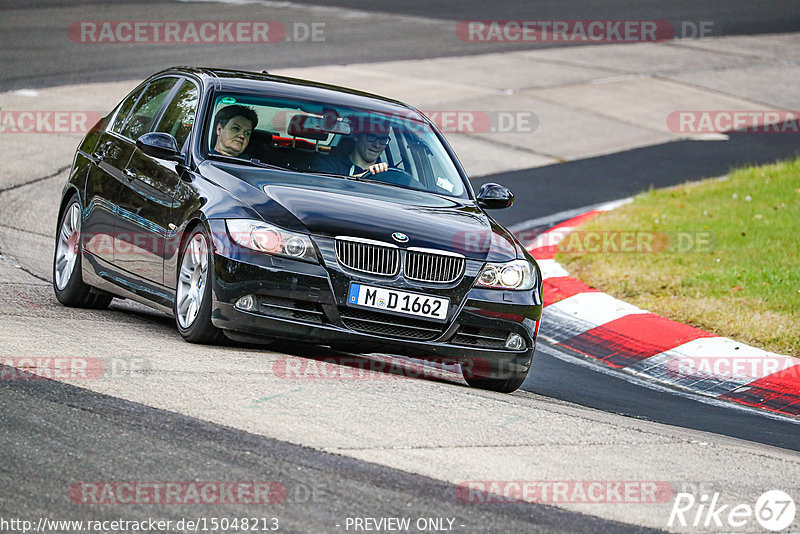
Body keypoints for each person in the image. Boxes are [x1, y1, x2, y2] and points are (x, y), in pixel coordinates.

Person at [312, 121, 391, 176]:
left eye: (383, 139)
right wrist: (367, 176)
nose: (377, 145)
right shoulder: (327, 164)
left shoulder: (389, 174)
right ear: (356, 136)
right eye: (372, 136)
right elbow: (324, 188)